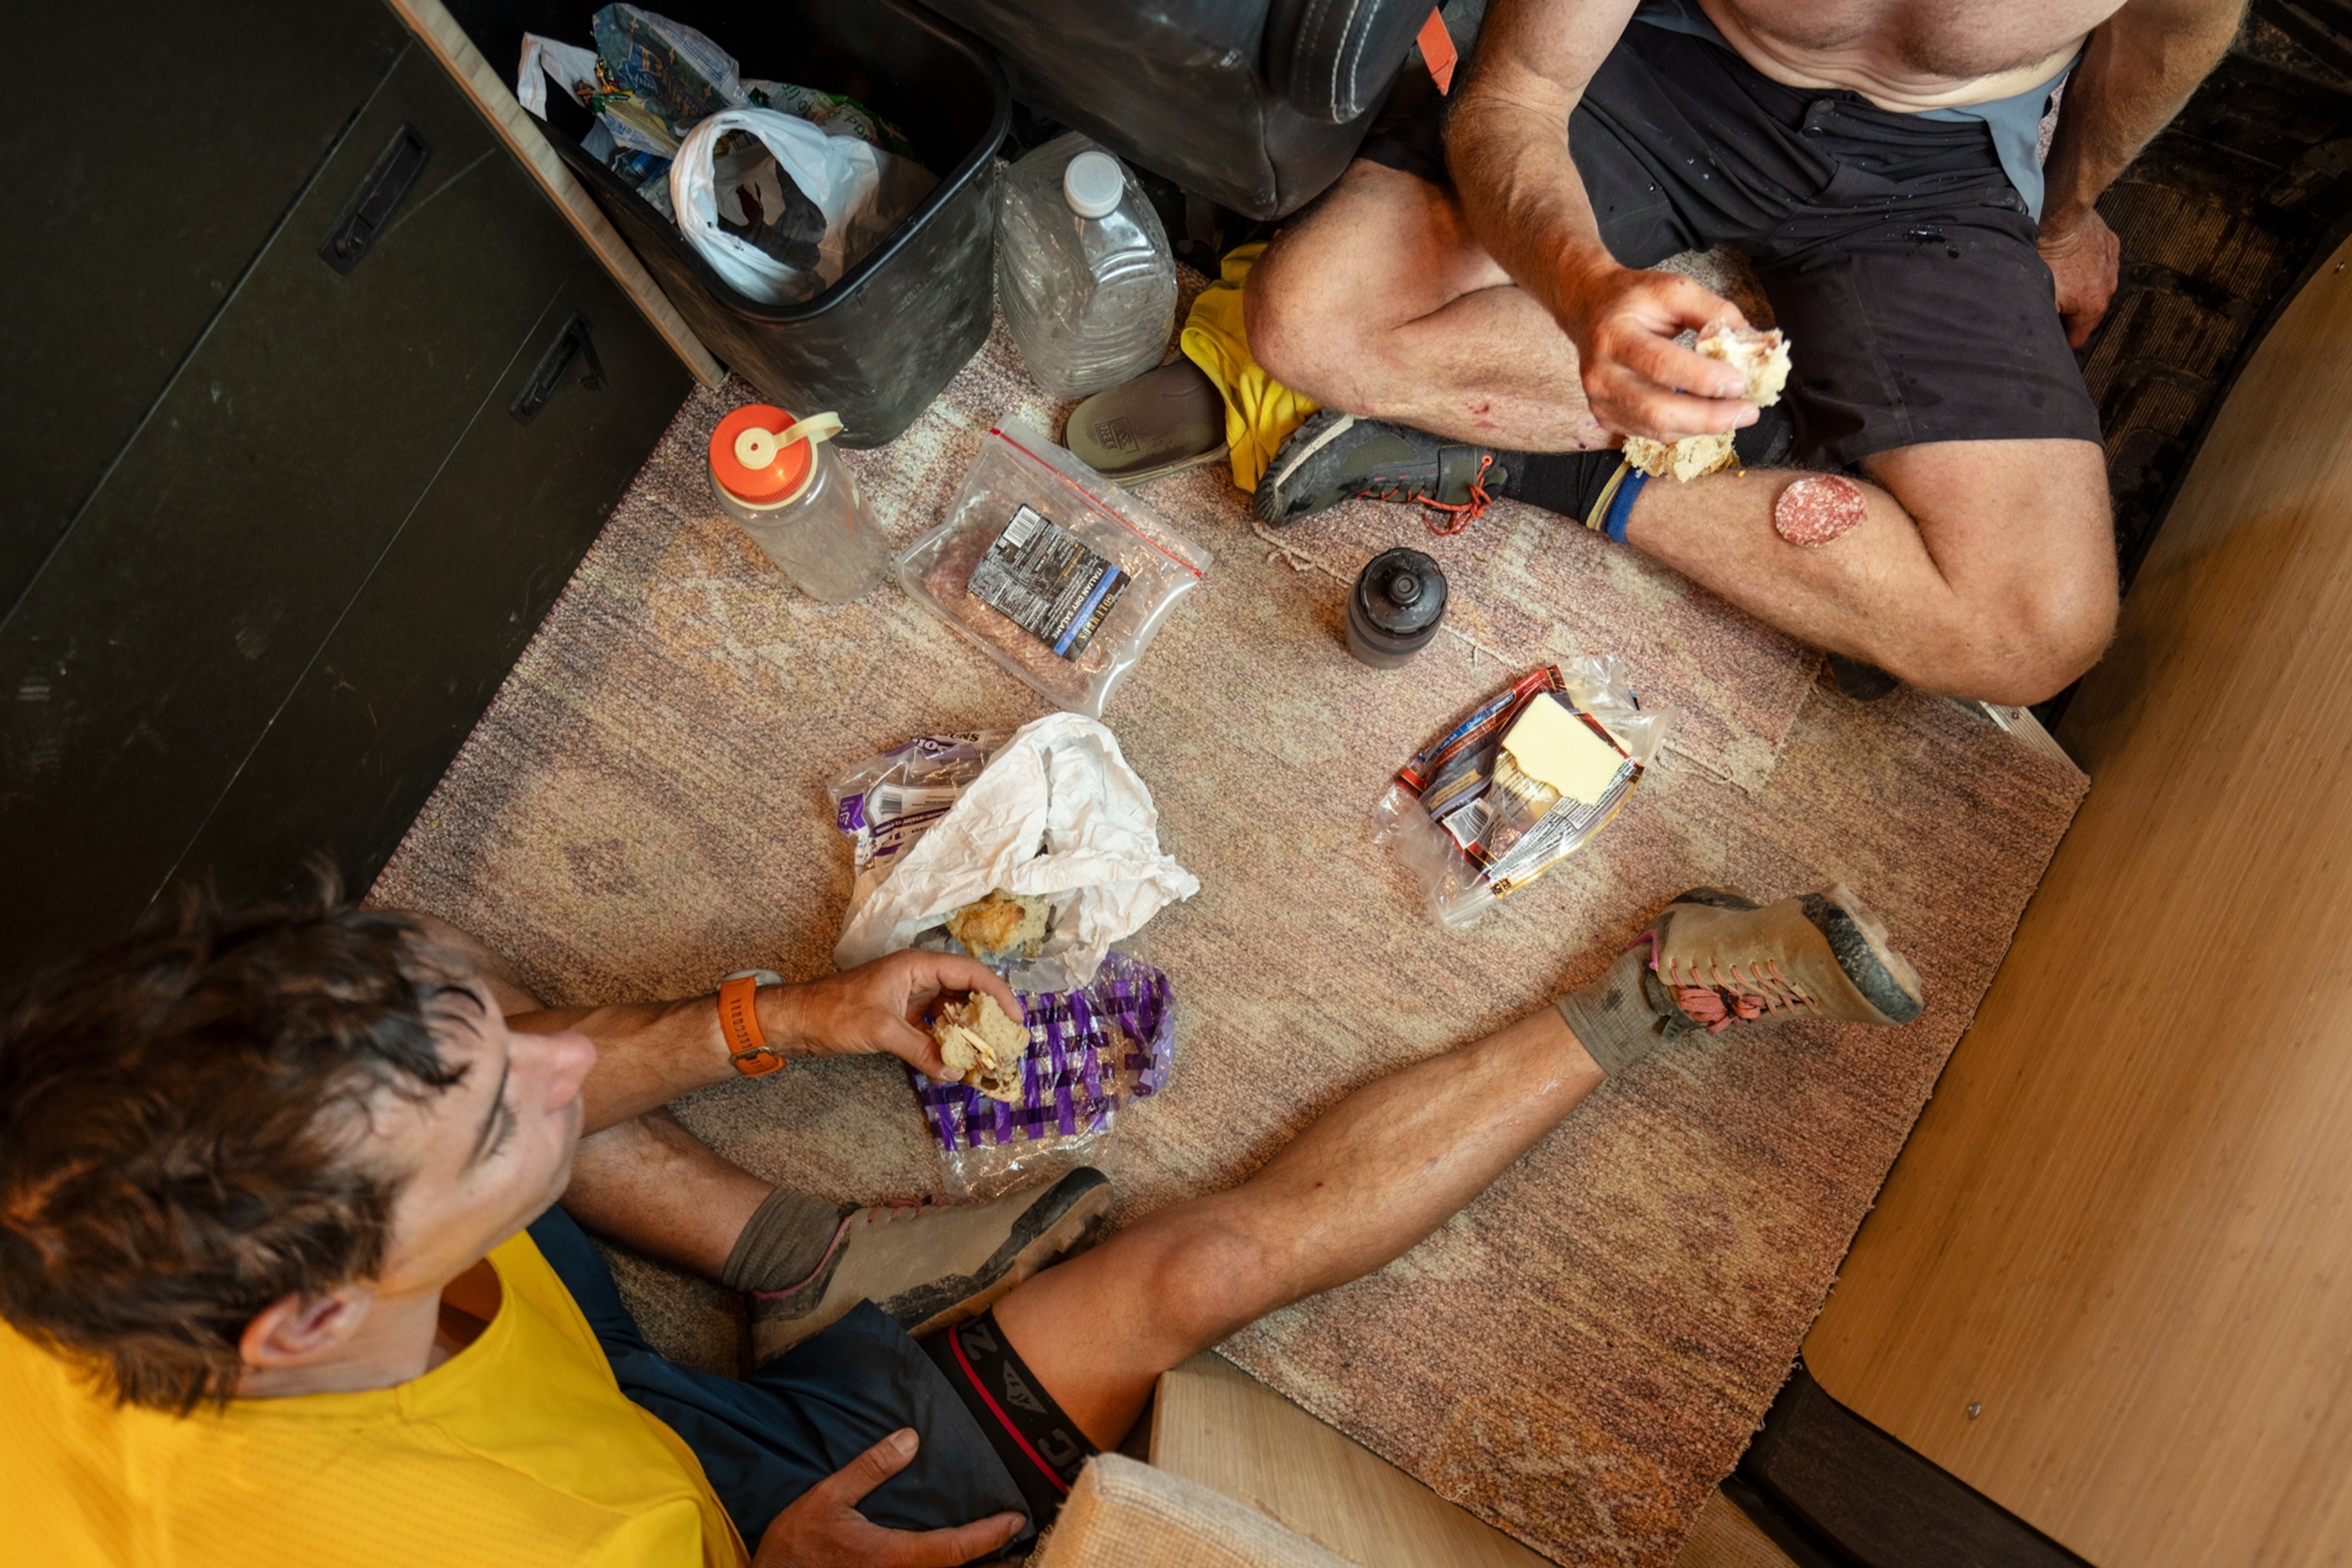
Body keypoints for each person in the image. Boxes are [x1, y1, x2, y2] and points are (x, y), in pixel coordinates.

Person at [0, 880, 1922, 1566]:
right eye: (506, 1111)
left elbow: (498, 1077)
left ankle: (808, 1261)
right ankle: (1655, 995)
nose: (562, 1067)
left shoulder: (97, 1207)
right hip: (725, 1525)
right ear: (309, 1325)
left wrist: (794, 1016)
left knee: (461, 1064)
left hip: (548, 1401)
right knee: (1192, 1274)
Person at [1245, 0, 2247, 706]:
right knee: (1309, 320)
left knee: (2039, 627)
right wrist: (1584, 290)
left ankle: (1557, 454)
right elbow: (1518, 97)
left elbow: (2166, 37)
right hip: (1667, 72)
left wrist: (2067, 215)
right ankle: (1726, 435)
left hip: (1942, 168)